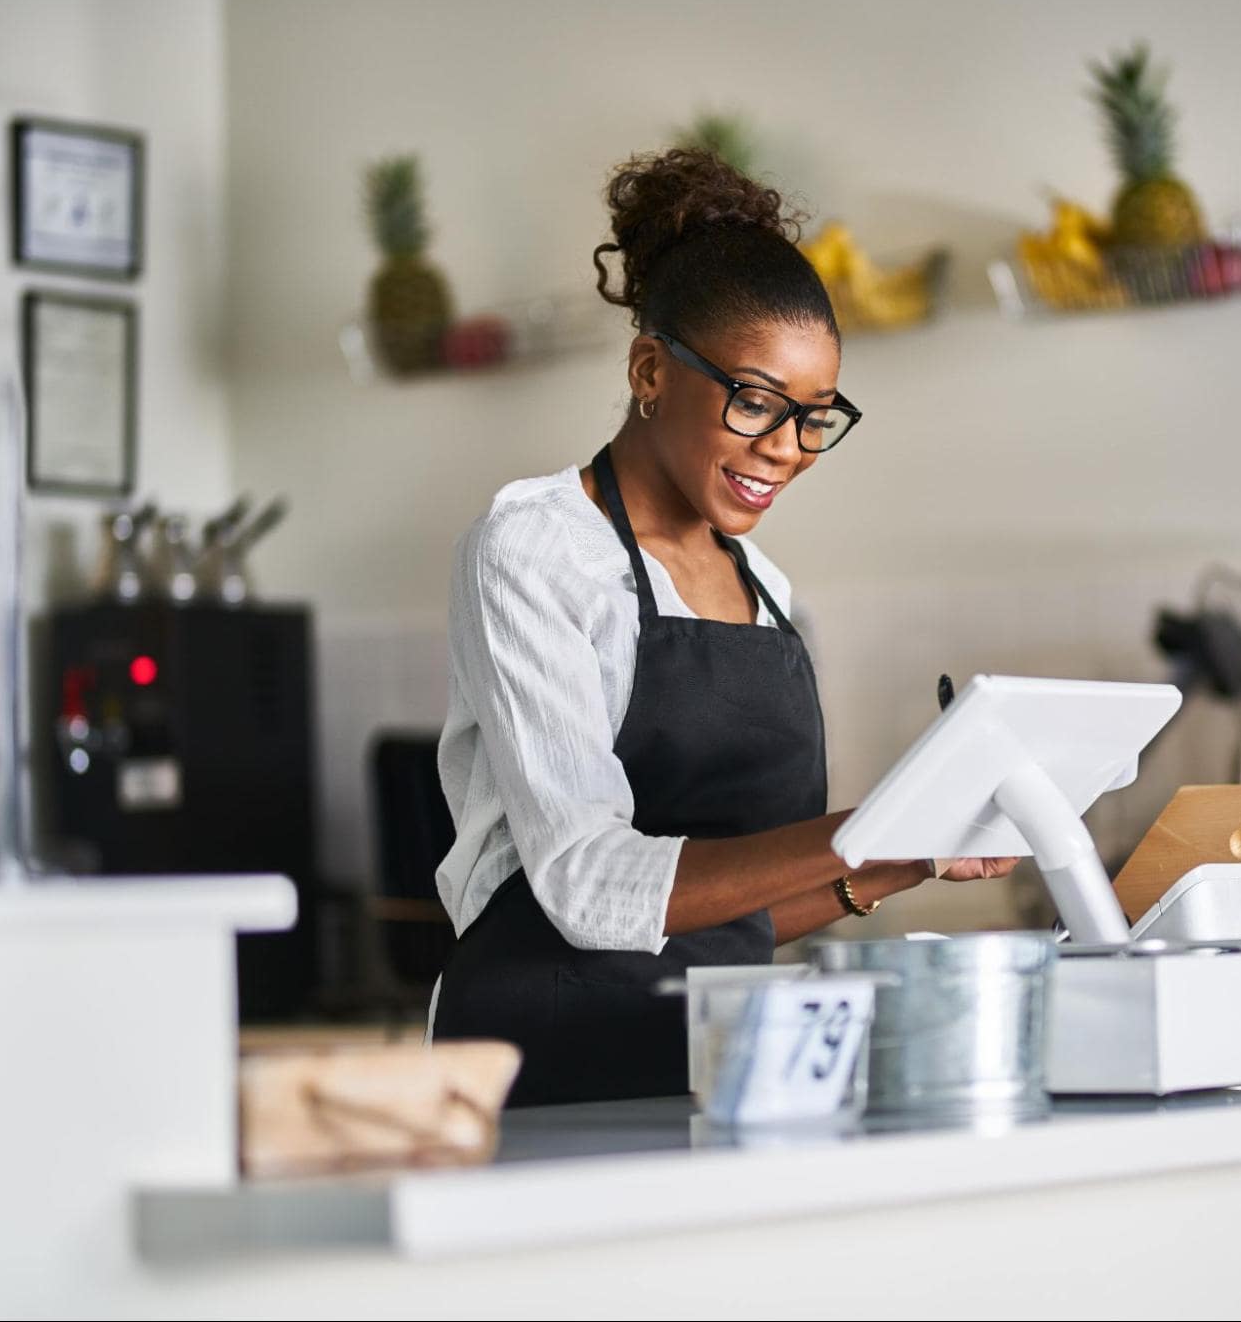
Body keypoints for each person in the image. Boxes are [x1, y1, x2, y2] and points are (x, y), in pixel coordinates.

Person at [429, 149, 1014, 1105]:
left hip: (722, 1055)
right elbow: (585, 882)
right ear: (651, 369)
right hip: (543, 1056)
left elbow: (732, 912)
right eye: (755, 401)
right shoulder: (532, 551)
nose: (786, 449)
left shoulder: (769, 589)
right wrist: (865, 828)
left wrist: (907, 853)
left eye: (814, 418)